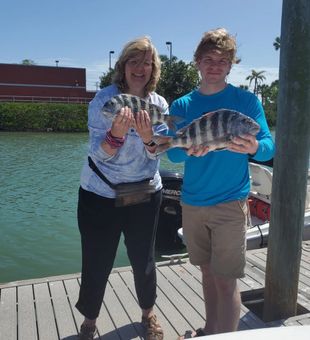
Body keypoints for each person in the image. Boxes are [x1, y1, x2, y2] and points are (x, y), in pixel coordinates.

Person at [166, 28, 275, 338]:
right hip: (193, 202)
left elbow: (268, 145)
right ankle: (211, 330)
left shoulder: (246, 101)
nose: (215, 65)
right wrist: (187, 149)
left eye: (223, 60)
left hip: (230, 202)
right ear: (197, 63)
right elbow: (173, 156)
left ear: (230, 65)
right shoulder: (182, 106)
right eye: (209, 59)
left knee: (226, 280)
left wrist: (253, 148)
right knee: (206, 272)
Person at [75, 36, 167, 340]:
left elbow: (158, 151)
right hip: (100, 194)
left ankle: (148, 314)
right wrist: (115, 133)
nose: (140, 68)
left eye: (146, 62)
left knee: (144, 259)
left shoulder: (159, 104)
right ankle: (90, 319)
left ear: (153, 68)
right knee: (97, 258)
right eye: (133, 61)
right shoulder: (104, 100)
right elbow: (99, 154)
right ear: (123, 65)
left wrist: (146, 138)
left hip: (144, 194)